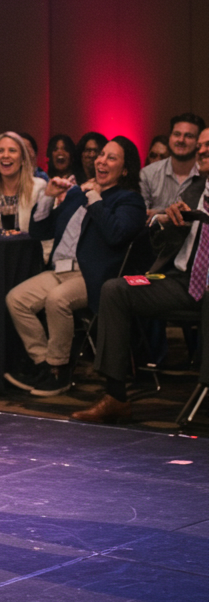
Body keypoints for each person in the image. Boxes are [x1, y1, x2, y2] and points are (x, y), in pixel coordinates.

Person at [5, 136, 146, 397]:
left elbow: (116, 234)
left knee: (57, 300)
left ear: (125, 170)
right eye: (101, 155)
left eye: (111, 158)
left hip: (93, 275)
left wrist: (95, 198)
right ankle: (44, 364)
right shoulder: (77, 194)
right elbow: (40, 230)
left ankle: (59, 372)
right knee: (16, 299)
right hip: (60, 269)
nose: (101, 161)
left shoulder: (128, 200)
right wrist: (48, 197)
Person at [71, 160, 209, 424]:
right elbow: (159, 244)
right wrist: (166, 221)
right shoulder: (194, 191)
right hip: (179, 280)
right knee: (116, 289)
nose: (202, 151)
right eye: (201, 145)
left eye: (207, 145)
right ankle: (115, 397)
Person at [0, 131, 47, 232]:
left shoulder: (38, 187)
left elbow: (44, 229)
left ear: (23, 159)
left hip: (27, 247)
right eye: (0, 151)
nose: (5, 155)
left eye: (12, 150)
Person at [139, 113, 204, 216]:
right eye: (177, 134)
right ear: (170, 137)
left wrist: (159, 213)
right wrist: (165, 215)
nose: (181, 140)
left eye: (189, 136)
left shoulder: (204, 175)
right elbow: (140, 216)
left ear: (198, 142)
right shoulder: (148, 174)